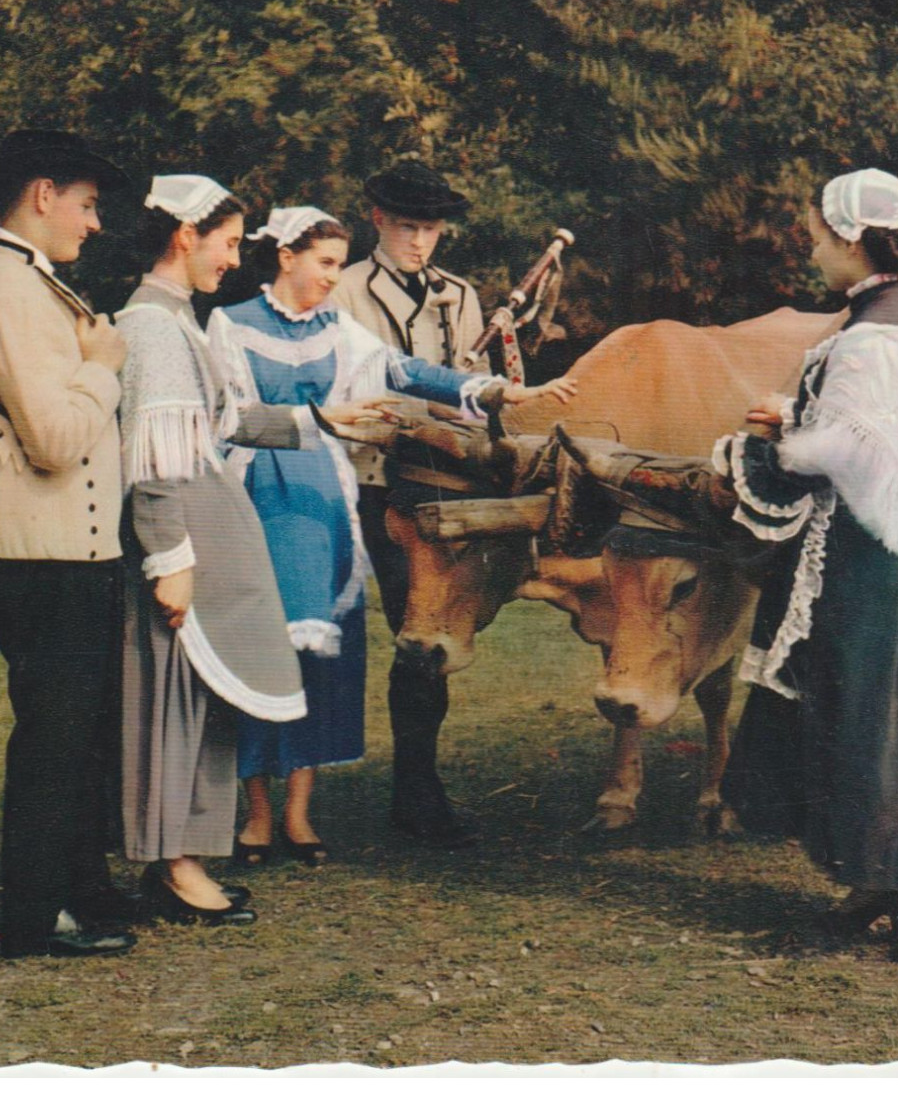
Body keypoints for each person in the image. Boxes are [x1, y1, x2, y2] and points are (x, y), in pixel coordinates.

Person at [210, 205, 576, 864]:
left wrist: (495, 391)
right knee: (257, 651)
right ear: (285, 257)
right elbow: (229, 416)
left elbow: (408, 371)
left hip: (323, 497)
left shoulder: (337, 329)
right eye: (323, 263)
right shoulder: (229, 326)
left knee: (321, 658)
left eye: (335, 264)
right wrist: (321, 415)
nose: (331, 277)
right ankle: (255, 815)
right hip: (255, 498)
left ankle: (298, 815)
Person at [714, 168, 898, 962]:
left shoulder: (868, 336)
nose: (817, 251)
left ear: (857, 243)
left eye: (825, 239)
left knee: (867, 716)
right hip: (880, 540)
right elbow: (869, 428)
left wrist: (764, 447)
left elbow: (842, 451)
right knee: (862, 710)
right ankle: (884, 875)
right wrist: (796, 415)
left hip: (868, 551)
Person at [0, 130, 139, 958]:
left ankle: (82, 892)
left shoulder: (23, 280)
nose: (94, 224)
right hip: (39, 560)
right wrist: (104, 365)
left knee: (71, 733)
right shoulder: (10, 290)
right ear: (42, 195)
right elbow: (52, 437)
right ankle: (35, 919)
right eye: (86, 205)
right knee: (53, 738)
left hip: (57, 552)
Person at [114, 174, 343, 925]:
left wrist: (326, 421)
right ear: (186, 236)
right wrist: (169, 560)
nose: (234, 258)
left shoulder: (178, 318)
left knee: (200, 706)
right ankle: (174, 866)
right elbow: (153, 461)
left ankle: (185, 856)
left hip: (200, 556)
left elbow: (226, 416)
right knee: (173, 709)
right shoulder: (151, 327)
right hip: (180, 562)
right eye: (226, 242)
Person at [330, 160, 492, 846]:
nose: (419, 242)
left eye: (430, 229)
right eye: (405, 227)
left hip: (440, 488)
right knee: (359, 630)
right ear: (376, 220)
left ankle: (417, 786)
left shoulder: (461, 294)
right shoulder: (342, 291)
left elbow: (481, 388)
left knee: (427, 631)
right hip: (363, 483)